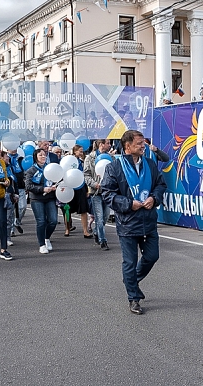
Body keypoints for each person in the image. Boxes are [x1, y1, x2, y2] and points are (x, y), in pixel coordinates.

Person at [101, 130, 166, 315]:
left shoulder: (150, 164)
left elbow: (160, 185)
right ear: (127, 146)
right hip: (128, 223)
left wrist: (154, 198)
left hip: (149, 220)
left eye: (143, 143)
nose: (143, 146)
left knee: (152, 257)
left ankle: (130, 280)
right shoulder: (114, 167)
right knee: (129, 262)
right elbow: (108, 193)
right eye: (139, 143)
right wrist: (129, 204)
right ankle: (133, 298)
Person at [25, 148, 58, 254]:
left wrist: (55, 187)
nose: (43, 157)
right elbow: (28, 186)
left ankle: (46, 238)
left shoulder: (50, 168)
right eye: (40, 155)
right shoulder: (31, 170)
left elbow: (56, 179)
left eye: (44, 155)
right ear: (36, 157)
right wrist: (42, 189)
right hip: (37, 198)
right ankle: (42, 244)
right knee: (41, 221)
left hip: (50, 198)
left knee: (53, 220)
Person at [84, 139, 112, 247]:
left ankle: (96, 232)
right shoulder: (90, 158)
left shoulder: (110, 157)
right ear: (101, 144)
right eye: (108, 143)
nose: (110, 145)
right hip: (95, 192)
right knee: (99, 217)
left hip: (107, 191)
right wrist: (94, 184)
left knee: (105, 216)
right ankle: (103, 241)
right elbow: (86, 175)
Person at [65, 145, 90, 237]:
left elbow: (83, 175)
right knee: (67, 209)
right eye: (80, 151)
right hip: (70, 187)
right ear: (75, 151)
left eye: (82, 151)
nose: (81, 153)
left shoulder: (81, 162)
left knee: (84, 210)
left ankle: (85, 231)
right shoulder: (68, 161)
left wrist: (86, 189)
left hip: (81, 186)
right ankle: (67, 229)